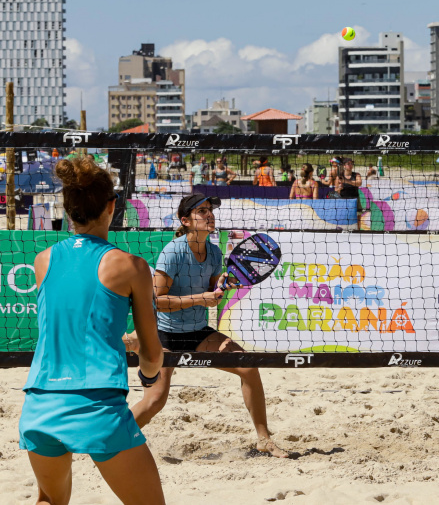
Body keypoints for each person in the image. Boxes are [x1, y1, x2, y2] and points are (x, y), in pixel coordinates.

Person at [19, 156, 165, 504]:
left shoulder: (44, 260)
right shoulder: (131, 265)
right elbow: (152, 353)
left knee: (49, 501)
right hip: (96, 405)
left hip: (39, 406)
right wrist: (149, 378)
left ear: (68, 209)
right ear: (112, 206)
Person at [128, 193, 288, 458]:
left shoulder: (213, 251)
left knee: (248, 365)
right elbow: (157, 301)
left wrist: (222, 283)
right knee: (155, 401)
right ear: (186, 221)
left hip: (198, 332)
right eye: (201, 211)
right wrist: (200, 298)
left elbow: (214, 289)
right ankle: (115, 439)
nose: (209, 214)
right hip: (165, 335)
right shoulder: (173, 252)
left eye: (210, 210)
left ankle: (264, 439)